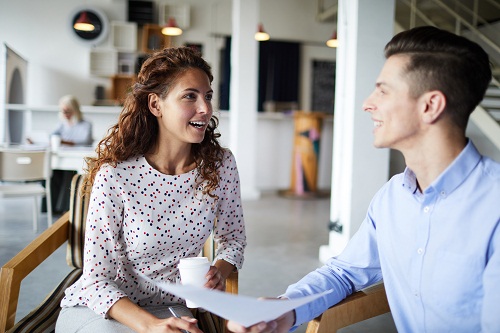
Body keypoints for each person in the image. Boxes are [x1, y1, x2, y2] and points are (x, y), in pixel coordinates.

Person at [228, 26, 500, 333]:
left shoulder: (493, 207)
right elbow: (345, 273)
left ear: (430, 106)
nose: (367, 103)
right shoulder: (393, 197)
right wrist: (283, 310)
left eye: (383, 90)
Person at [55, 46, 247, 333]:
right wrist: (151, 326)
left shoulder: (220, 166)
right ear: (156, 105)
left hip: (172, 306)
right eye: (189, 96)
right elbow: (96, 280)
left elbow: (233, 240)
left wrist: (218, 272)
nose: (205, 108)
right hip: (105, 307)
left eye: (207, 96)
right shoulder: (116, 176)